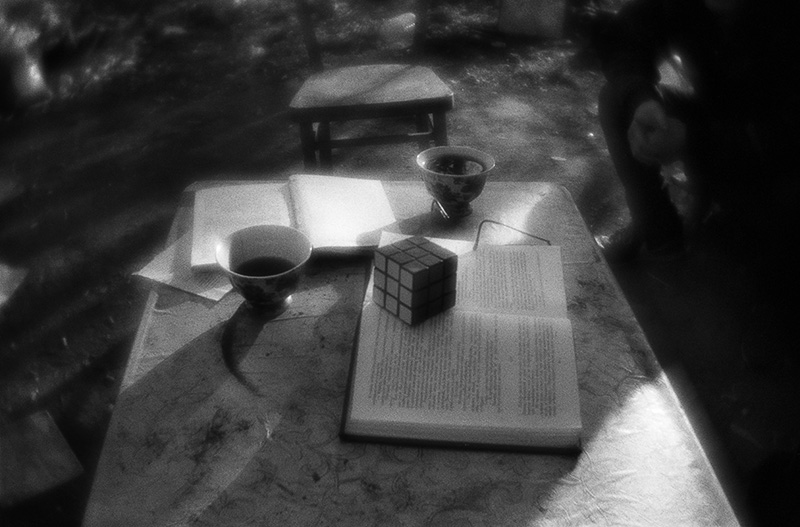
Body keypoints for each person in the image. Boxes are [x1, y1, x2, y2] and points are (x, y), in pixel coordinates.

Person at [595, 0, 800, 264]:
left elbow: (785, 135)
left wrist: (693, 138)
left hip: (778, 153)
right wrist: (641, 99)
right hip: (718, 124)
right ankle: (658, 230)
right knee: (618, 98)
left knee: (766, 241)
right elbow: (627, 38)